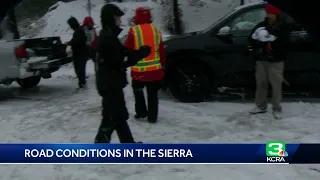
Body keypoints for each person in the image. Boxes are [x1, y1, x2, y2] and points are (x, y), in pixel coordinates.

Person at [94, 4, 151, 143]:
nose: (120, 20)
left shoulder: (109, 35)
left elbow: (121, 53)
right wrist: (139, 54)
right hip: (110, 84)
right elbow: (120, 60)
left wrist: (136, 52)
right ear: (111, 18)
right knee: (111, 118)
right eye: (118, 17)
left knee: (118, 116)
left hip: (111, 83)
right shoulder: (107, 38)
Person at [248, 4, 291, 118]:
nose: (269, 15)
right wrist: (255, 37)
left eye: (271, 13)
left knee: (276, 85)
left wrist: (273, 40)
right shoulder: (262, 25)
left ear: (276, 14)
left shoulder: (283, 27)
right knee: (261, 83)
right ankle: (261, 106)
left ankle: (276, 107)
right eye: (267, 12)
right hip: (261, 60)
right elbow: (250, 40)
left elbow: (285, 44)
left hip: (276, 61)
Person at [124, 7, 166, 123]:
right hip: (154, 71)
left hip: (139, 71)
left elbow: (128, 48)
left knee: (138, 91)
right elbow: (161, 50)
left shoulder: (134, 31)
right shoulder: (156, 30)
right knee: (153, 95)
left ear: (137, 17)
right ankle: (153, 117)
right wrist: (162, 65)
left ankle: (141, 113)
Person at [67, 16, 88, 89]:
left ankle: (82, 84)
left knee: (79, 70)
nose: (70, 27)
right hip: (82, 53)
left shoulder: (78, 31)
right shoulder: (79, 30)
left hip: (79, 54)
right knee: (81, 69)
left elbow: (77, 41)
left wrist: (70, 43)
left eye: (70, 25)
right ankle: (82, 83)